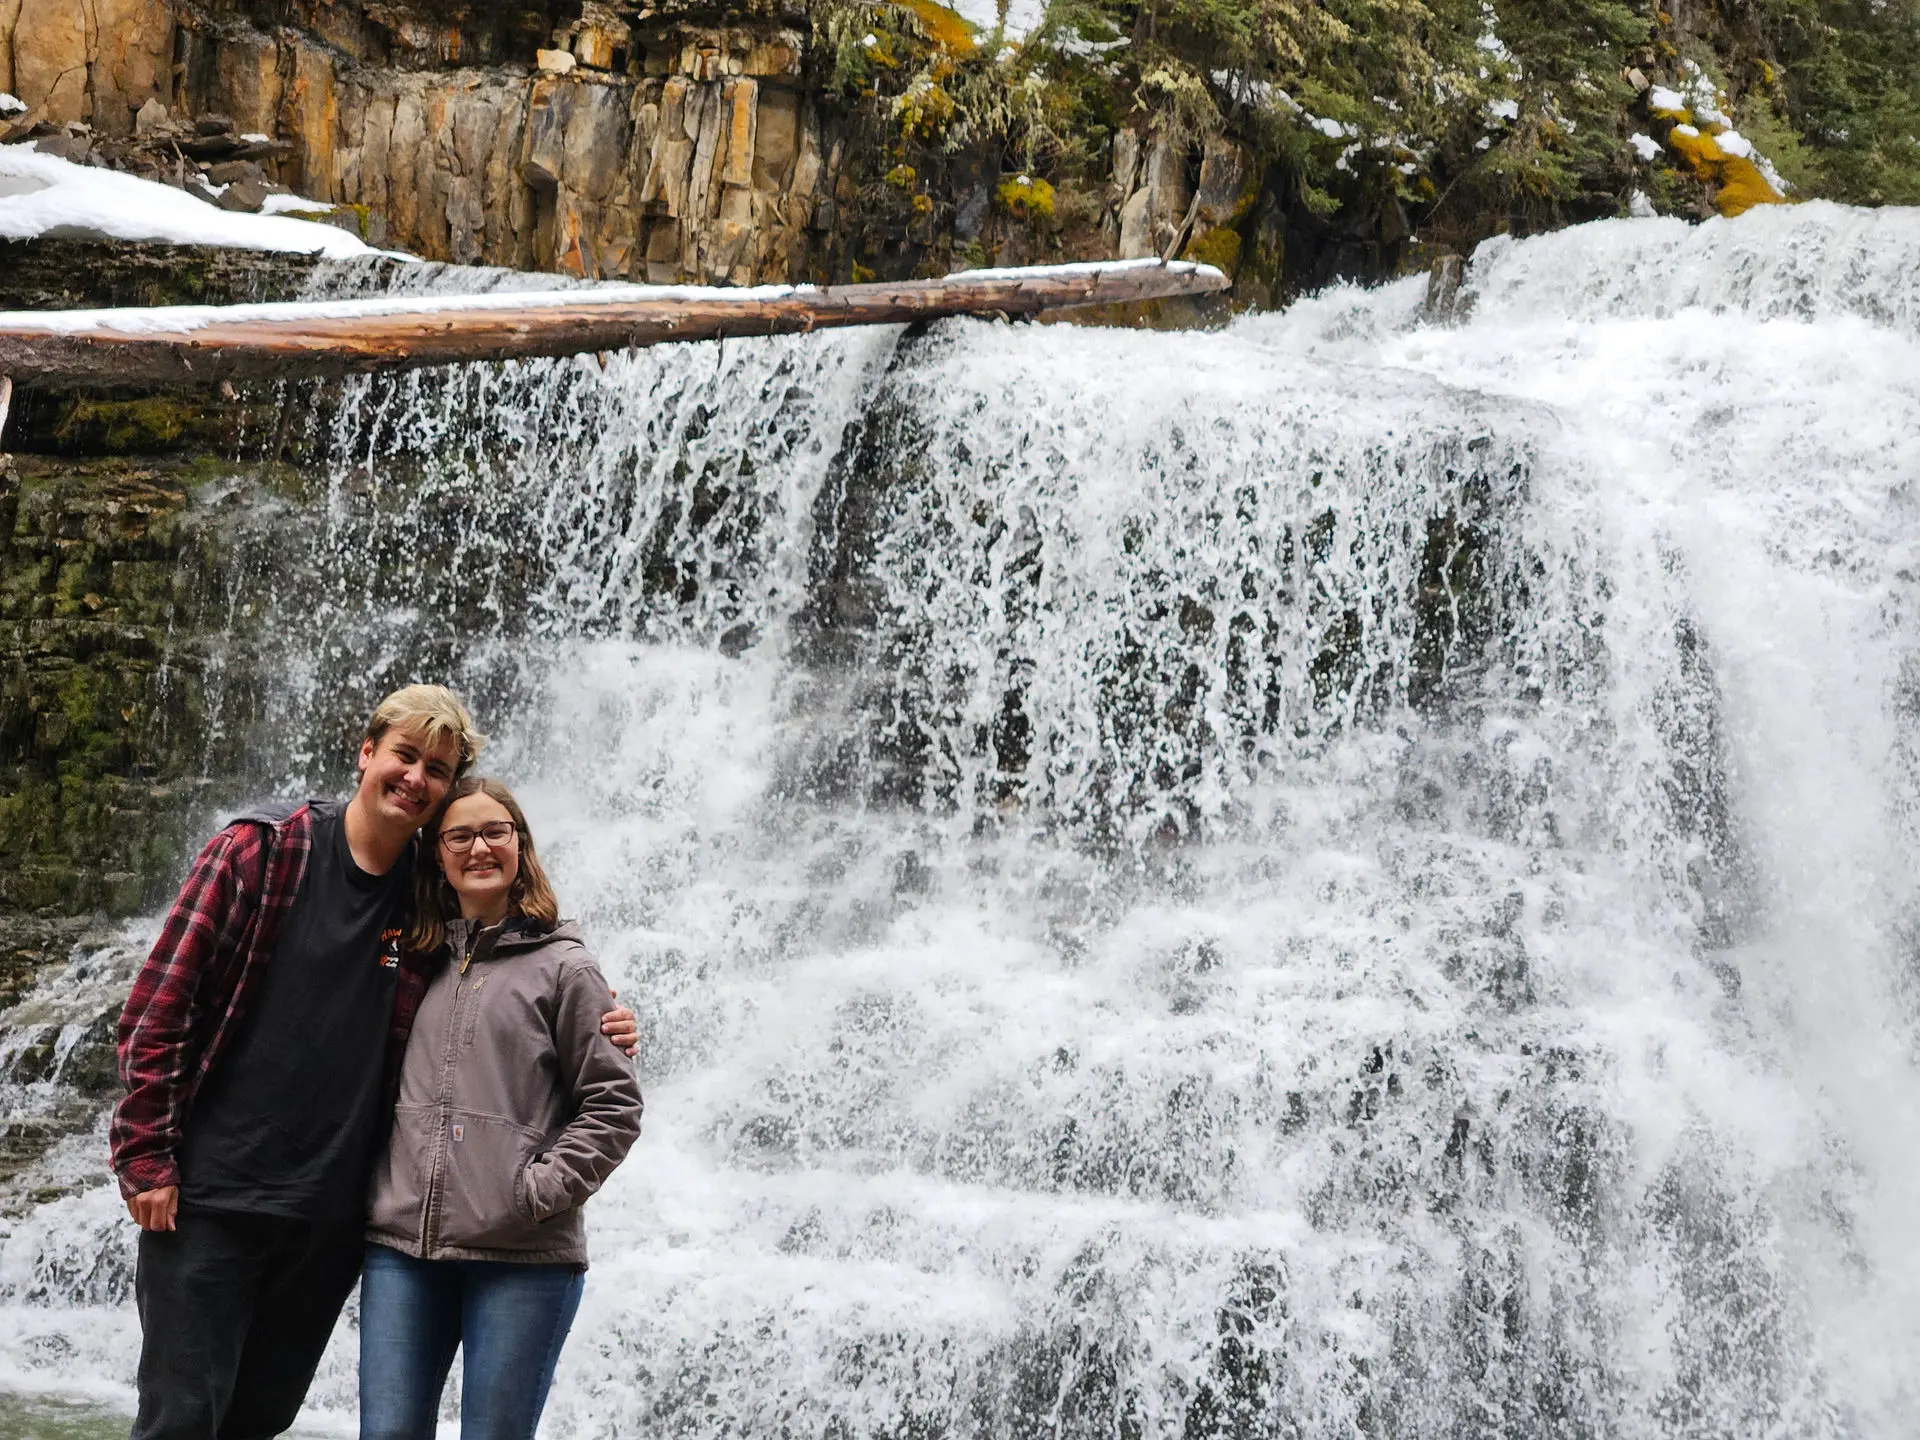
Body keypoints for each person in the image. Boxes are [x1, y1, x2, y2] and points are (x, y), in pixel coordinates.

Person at [110, 685, 639, 1440]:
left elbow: (508, 956)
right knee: (183, 1420)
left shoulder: (417, 904)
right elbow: (161, 1005)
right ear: (366, 753)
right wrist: (145, 1157)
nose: (416, 777)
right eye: (405, 755)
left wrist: (598, 1010)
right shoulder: (265, 853)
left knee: (260, 1417)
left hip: (330, 1219)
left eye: (437, 769)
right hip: (214, 1199)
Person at [359, 777, 643, 1440]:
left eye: (495, 832)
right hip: (403, 1248)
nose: (479, 847)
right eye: (459, 835)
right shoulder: (411, 958)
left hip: (522, 1254)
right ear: (438, 854)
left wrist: (533, 1194)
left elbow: (614, 1103)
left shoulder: (567, 968)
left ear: (521, 845)